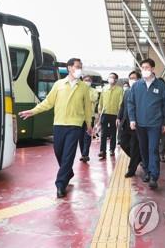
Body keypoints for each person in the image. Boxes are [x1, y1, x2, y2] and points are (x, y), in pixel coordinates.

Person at [19, 58, 92, 198]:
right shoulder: (59, 84)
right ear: (69, 67)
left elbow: (87, 107)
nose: (79, 69)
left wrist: (88, 125)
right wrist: (33, 111)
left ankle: (60, 184)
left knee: (68, 155)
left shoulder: (83, 87)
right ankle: (68, 173)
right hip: (59, 124)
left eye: (81, 66)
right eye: (77, 66)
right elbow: (48, 102)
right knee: (59, 152)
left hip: (75, 125)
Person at [128, 59, 165, 190]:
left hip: (155, 124)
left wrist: (164, 122)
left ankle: (154, 176)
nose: (145, 69)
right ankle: (146, 171)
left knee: (153, 149)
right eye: (143, 67)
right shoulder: (136, 86)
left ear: (152, 69)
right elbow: (131, 103)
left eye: (147, 67)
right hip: (140, 124)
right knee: (143, 149)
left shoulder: (160, 85)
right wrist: (132, 119)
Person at [117, 70, 142, 178]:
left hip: (137, 123)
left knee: (134, 146)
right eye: (130, 78)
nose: (132, 80)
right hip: (126, 123)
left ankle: (131, 169)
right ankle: (139, 158)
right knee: (123, 143)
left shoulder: (142, 91)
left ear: (139, 79)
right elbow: (123, 106)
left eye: (134, 78)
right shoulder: (127, 92)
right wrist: (119, 117)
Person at [97, 73, 124, 158]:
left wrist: (119, 115)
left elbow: (121, 103)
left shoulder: (120, 90)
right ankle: (102, 150)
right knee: (103, 133)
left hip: (115, 114)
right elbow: (100, 101)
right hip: (104, 113)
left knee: (113, 132)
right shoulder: (104, 88)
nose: (111, 79)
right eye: (110, 77)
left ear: (116, 80)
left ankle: (112, 149)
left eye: (113, 77)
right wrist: (100, 111)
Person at [79, 75, 99, 162]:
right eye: (85, 80)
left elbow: (93, 98)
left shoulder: (94, 91)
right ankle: (83, 153)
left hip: (90, 117)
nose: (87, 81)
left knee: (87, 136)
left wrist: (85, 94)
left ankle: (85, 154)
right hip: (79, 117)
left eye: (89, 80)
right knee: (80, 137)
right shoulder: (79, 90)